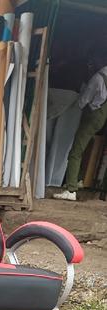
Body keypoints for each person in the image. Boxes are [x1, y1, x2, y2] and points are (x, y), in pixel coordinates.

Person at [55, 54, 107, 201]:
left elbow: (83, 101)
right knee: (83, 147)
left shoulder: (98, 78)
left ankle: (71, 189)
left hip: (91, 117)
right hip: (101, 120)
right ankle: (78, 180)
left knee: (75, 152)